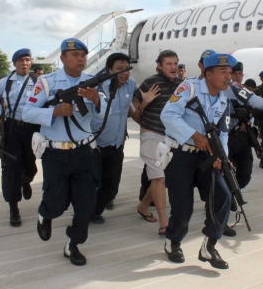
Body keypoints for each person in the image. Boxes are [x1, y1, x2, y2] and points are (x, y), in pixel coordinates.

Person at [23, 38, 109, 266]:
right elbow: (27, 112)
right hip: (56, 154)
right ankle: (45, 213)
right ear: (62, 58)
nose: (81, 58)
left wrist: (96, 100)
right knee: (57, 201)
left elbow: (103, 114)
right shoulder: (46, 82)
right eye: (75, 54)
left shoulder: (91, 82)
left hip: (84, 152)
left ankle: (73, 245)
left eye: (83, 54)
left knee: (86, 205)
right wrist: (54, 112)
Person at [160, 53, 236, 270]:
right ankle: (173, 242)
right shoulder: (188, 88)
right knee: (183, 207)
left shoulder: (224, 98)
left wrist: (223, 157)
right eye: (224, 72)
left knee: (223, 195)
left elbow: (223, 132)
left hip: (207, 157)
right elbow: (168, 115)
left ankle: (209, 246)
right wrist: (195, 135)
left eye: (230, 72)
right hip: (181, 154)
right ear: (208, 74)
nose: (228, 77)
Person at [131, 50, 182, 235]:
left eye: (175, 63)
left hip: (171, 138)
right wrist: (145, 103)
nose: (173, 67)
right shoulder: (149, 83)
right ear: (159, 66)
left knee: (162, 177)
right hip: (151, 135)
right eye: (169, 63)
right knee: (159, 178)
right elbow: (133, 110)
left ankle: (143, 206)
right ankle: (164, 222)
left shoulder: (180, 85)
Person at [224, 62, 263, 235]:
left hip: (242, 138)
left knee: (244, 176)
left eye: (237, 73)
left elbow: (251, 98)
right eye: (231, 72)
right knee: (223, 174)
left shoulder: (237, 87)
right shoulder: (216, 87)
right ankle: (221, 202)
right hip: (225, 137)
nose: (233, 76)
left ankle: (230, 192)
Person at [0, 48, 39, 227]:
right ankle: (14, 209)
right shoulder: (6, 82)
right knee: (11, 167)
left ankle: (26, 180)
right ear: (15, 63)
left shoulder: (37, 82)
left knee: (30, 166)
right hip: (12, 129)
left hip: (32, 129)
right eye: (21, 60)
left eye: (27, 60)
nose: (24, 63)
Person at [90, 53, 137, 224]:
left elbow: (133, 106)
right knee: (93, 182)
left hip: (117, 144)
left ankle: (97, 207)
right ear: (109, 69)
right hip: (96, 144)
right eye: (119, 69)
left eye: (126, 69)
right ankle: (91, 212)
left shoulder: (131, 85)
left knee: (112, 186)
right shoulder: (98, 86)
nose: (124, 73)